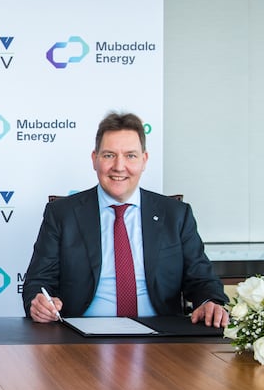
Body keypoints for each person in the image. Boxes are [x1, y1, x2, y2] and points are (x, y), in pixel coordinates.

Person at [22, 112, 229, 328]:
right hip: (80, 338)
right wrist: (38, 303)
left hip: (162, 337)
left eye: (130, 155)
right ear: (94, 159)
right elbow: (37, 282)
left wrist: (210, 302)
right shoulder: (62, 214)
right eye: (109, 155)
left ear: (144, 160)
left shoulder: (176, 215)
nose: (119, 167)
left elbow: (202, 279)